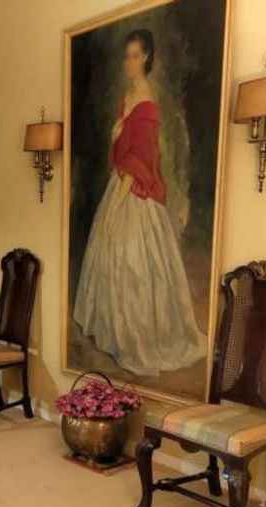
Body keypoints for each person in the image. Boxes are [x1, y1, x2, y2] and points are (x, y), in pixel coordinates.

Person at [73, 29, 206, 376]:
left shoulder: (147, 107)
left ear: (146, 58)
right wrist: (114, 137)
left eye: (135, 56)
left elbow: (140, 163)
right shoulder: (126, 98)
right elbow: (119, 159)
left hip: (134, 193)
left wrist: (116, 206)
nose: (128, 62)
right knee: (111, 262)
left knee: (134, 266)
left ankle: (138, 336)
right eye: (126, 55)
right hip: (119, 184)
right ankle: (112, 329)